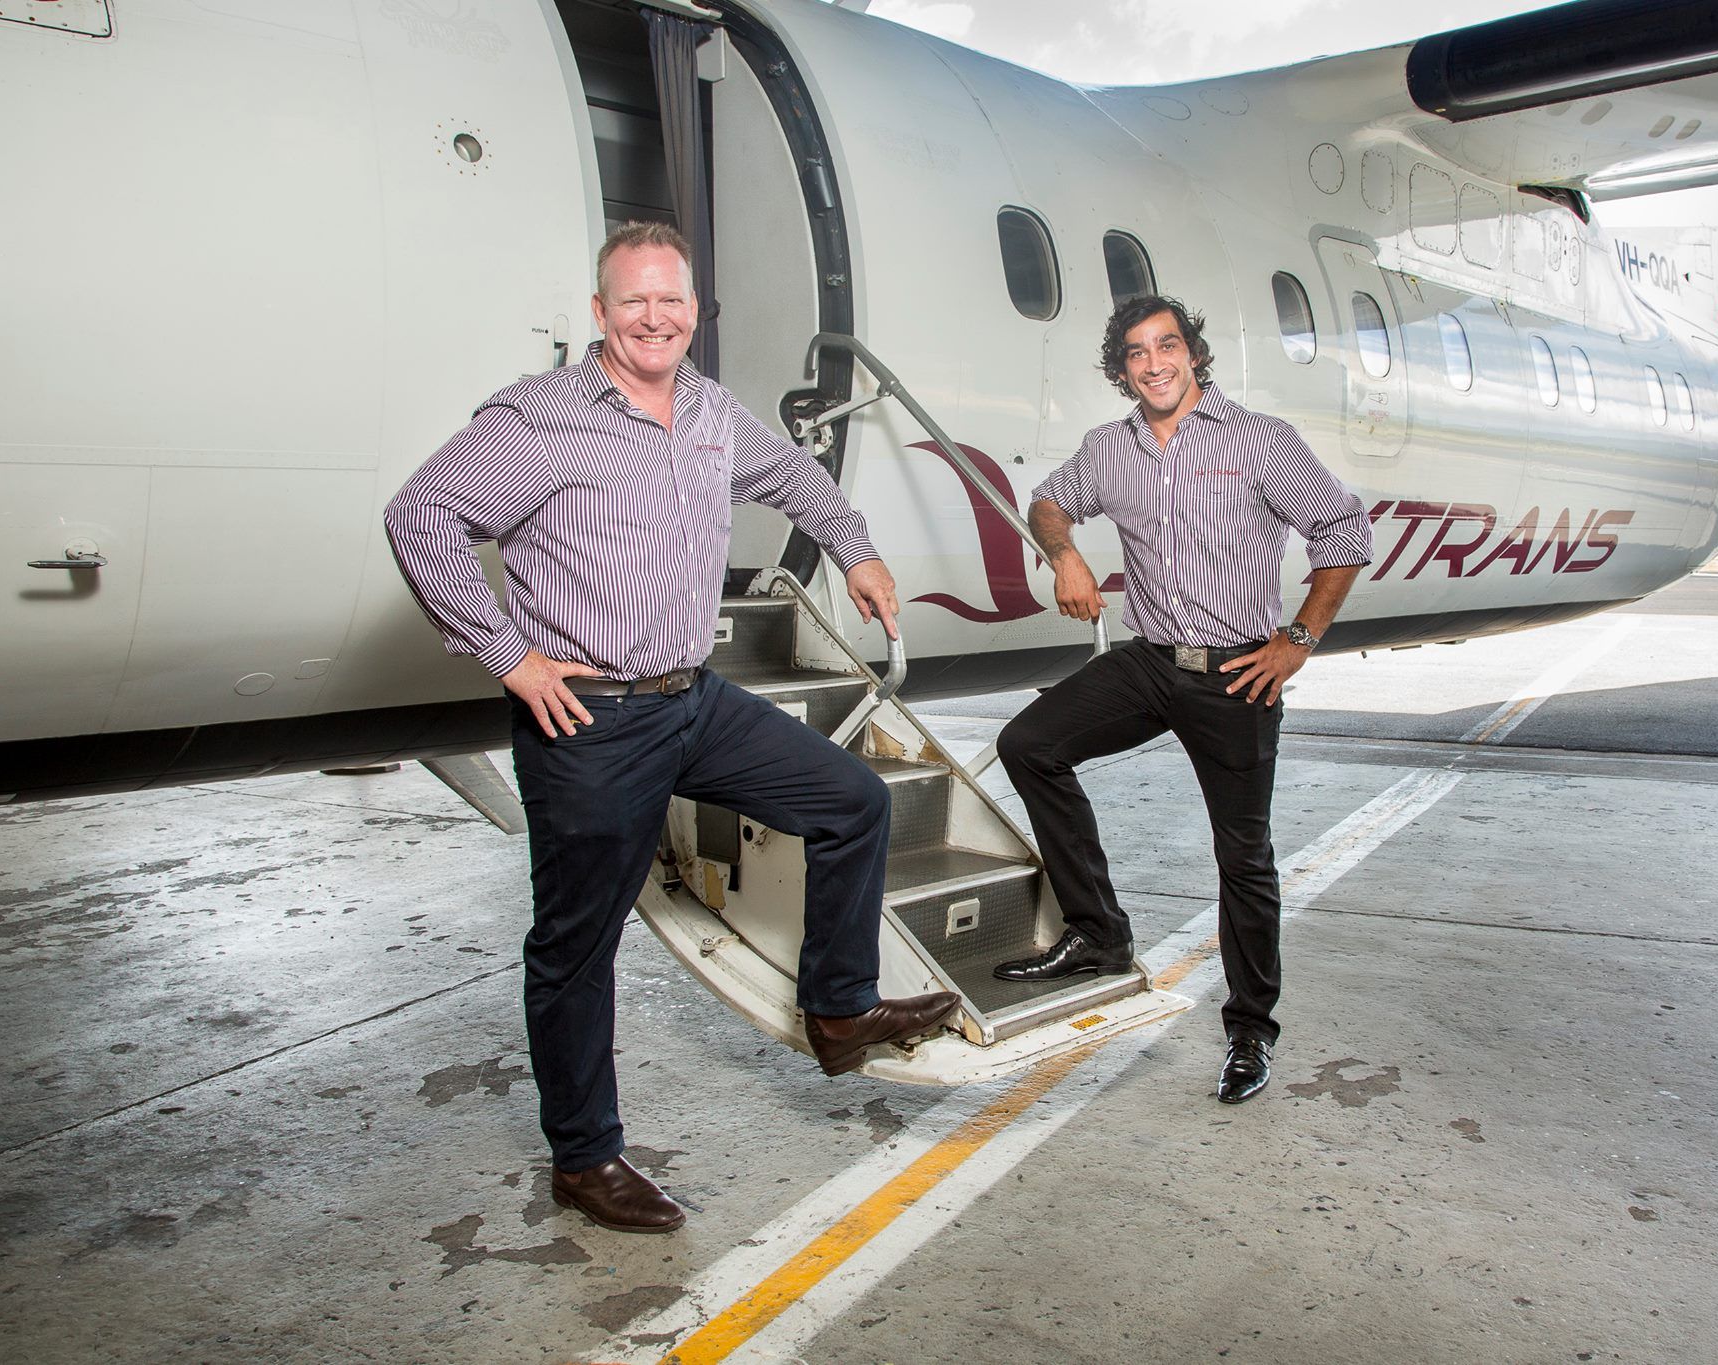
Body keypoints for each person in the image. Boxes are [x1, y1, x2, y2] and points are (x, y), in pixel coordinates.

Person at [385, 222, 957, 1235]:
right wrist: (507, 657)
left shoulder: (706, 410)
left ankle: (837, 1009)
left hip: (692, 698)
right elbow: (420, 514)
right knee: (575, 947)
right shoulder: (539, 419)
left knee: (849, 800)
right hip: (590, 719)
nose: (656, 317)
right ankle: (584, 1157)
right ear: (599, 313)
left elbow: (791, 478)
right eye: (633, 301)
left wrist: (854, 547)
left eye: (673, 300)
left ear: (694, 311)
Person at [992, 294, 1371, 1105]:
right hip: (1150, 660)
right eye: (1136, 352)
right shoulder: (1109, 448)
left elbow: (1342, 532)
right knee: (1030, 745)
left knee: (1243, 855)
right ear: (1121, 369)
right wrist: (1064, 555)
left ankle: (1249, 1030)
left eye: (1168, 346)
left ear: (1193, 353)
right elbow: (1050, 500)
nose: (1155, 362)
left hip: (1237, 671)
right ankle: (1098, 932)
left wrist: (1296, 641)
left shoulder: (1260, 442)